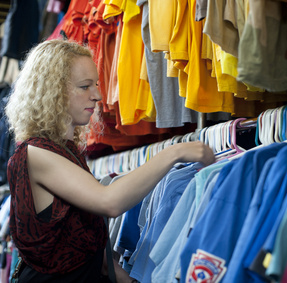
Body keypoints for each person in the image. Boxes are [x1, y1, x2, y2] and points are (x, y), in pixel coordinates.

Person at [4, 39, 215, 282]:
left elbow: (85, 249)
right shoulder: (37, 153)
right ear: (52, 91)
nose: (97, 95)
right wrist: (174, 152)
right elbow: (109, 202)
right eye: (85, 87)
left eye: (95, 84)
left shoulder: (66, 152)